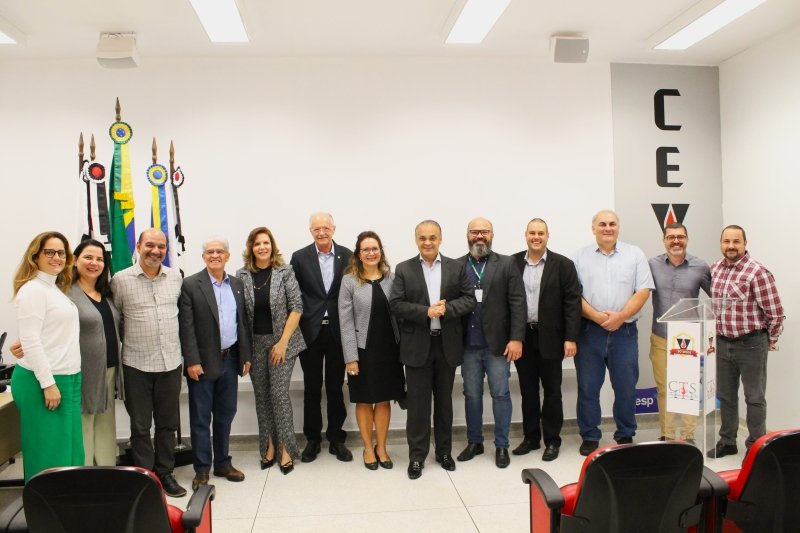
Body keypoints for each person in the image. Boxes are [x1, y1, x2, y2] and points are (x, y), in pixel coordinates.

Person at [11, 238, 123, 467]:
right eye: (88, 257)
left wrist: (29, 341)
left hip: (93, 370)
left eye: (99, 259)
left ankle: (99, 477)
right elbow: (38, 332)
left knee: (88, 435)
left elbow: (53, 326)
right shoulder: (56, 290)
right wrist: (27, 346)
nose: (94, 263)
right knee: (65, 439)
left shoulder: (103, 291)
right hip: (65, 373)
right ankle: (77, 478)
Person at [389, 220, 476, 480]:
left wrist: (447, 309)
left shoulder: (456, 267)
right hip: (417, 346)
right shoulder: (404, 268)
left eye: (432, 237)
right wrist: (426, 312)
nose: (427, 242)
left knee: (444, 403)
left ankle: (444, 452)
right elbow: (396, 304)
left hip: (446, 345)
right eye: (423, 238)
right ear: (416, 240)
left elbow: (469, 299)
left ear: (440, 239)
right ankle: (417, 457)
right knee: (418, 406)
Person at [111, 228, 186, 497]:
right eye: (150, 245)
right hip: (136, 365)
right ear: (139, 246)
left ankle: (166, 473)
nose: (156, 251)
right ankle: (147, 478)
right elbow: (116, 320)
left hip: (170, 363)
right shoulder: (120, 280)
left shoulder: (175, 278)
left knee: (167, 425)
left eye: (161, 246)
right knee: (140, 427)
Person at [572, 210, 654, 455]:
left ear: (618, 227)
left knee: (626, 387)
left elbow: (643, 291)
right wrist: (597, 316)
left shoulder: (635, 254)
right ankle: (590, 436)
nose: (607, 228)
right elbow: (573, 295)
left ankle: (625, 434)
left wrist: (620, 317)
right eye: (602, 224)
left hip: (624, 333)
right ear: (593, 228)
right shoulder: (579, 257)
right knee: (588, 388)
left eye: (612, 224)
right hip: (589, 332)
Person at [179, 236, 252, 491]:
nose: (215, 255)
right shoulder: (191, 285)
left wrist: (245, 356)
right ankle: (201, 470)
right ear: (203, 257)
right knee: (201, 418)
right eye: (209, 252)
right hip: (202, 363)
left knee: (225, 414)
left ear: (227, 256)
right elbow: (186, 327)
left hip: (230, 359)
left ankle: (222, 463)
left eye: (220, 251)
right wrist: (192, 360)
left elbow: (242, 323)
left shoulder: (237, 285)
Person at [12, 231, 83, 481]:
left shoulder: (53, 288)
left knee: (71, 451)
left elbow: (45, 334)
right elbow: (31, 340)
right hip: (44, 381)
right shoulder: (33, 290)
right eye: (49, 252)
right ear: (36, 256)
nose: (56, 257)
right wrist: (48, 384)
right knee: (48, 455)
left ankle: (68, 502)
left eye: (61, 253)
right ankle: (44, 505)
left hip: (68, 377)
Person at [708, 225, 784, 458]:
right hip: (722, 343)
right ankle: (728, 441)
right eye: (726, 241)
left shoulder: (757, 272)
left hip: (751, 344)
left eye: (736, 241)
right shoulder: (715, 269)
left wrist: (770, 339)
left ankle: (756, 447)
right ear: (721, 243)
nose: (731, 246)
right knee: (726, 396)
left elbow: (775, 313)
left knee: (754, 398)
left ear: (745, 244)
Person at [455, 218, 525, 469]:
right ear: (467, 235)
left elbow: (518, 302)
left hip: (498, 345)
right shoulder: (456, 265)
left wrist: (516, 338)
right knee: (471, 395)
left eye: (484, 231)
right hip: (468, 346)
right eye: (474, 231)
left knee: (501, 395)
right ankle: (475, 442)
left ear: (492, 235)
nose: (479, 236)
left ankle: (502, 445)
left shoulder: (507, 264)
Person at [511, 218, 582, 461]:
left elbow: (572, 303)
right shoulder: (512, 263)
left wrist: (571, 337)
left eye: (540, 233)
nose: (536, 237)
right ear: (526, 235)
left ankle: (552, 440)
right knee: (528, 391)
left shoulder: (563, 264)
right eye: (532, 233)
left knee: (552, 391)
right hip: (523, 337)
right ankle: (531, 438)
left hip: (552, 337)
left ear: (547, 236)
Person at [238, 227, 306, 474]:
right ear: (251, 248)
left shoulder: (284, 271)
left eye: (266, 243)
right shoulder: (242, 275)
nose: (262, 247)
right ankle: (268, 446)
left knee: (278, 394)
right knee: (262, 396)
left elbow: (297, 307)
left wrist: (283, 343)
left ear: (272, 246)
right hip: (256, 344)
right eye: (257, 244)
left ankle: (286, 449)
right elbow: (241, 315)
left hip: (283, 342)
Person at [290, 212, 353, 463]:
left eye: (326, 228)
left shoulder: (347, 255)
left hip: (338, 330)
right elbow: (294, 294)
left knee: (336, 387)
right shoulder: (299, 257)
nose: (322, 232)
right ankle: (313, 439)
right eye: (316, 229)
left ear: (333, 229)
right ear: (311, 231)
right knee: (312, 387)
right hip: (310, 331)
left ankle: (337, 438)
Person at [338, 231, 404, 470]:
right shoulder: (349, 282)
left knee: (384, 399)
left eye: (374, 248)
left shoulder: (392, 279)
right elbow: (345, 322)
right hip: (362, 351)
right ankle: (368, 448)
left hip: (389, 350)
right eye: (365, 249)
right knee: (364, 400)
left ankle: (381, 447)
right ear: (358, 254)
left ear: (381, 251)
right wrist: (351, 358)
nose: (370, 253)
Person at [648, 223, 710, 443]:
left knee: (687, 388)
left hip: (687, 336)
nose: (676, 241)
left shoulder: (701, 266)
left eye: (680, 237)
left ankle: (687, 436)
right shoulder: (652, 265)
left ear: (687, 239)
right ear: (664, 240)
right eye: (671, 237)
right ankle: (667, 435)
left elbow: (716, 295)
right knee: (665, 388)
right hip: (661, 336)